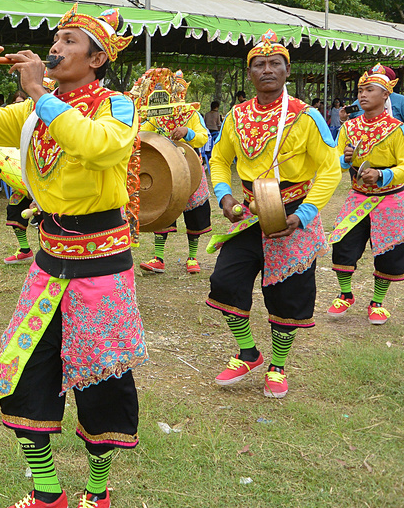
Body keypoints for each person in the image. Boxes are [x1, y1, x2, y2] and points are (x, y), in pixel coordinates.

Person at [0, 3, 147, 508]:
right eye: (57, 38)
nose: (55, 47)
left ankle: (97, 492)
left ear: (97, 58)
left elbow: (100, 149)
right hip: (49, 259)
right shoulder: (35, 110)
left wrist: (37, 91)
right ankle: (48, 491)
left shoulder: (116, 105)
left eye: (70, 41)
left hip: (102, 262)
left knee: (101, 378)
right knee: (23, 370)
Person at [207, 30, 340, 399]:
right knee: (225, 282)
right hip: (250, 212)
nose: (267, 69)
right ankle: (248, 351)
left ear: (286, 70)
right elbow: (219, 161)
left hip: (294, 212)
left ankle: (278, 366)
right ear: (249, 73)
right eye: (259, 65)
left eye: (274, 64)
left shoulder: (306, 117)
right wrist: (224, 198)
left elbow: (329, 169)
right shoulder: (236, 117)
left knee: (287, 295)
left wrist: (306, 214)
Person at [326, 65, 404, 325]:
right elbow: (335, 160)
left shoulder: (396, 129)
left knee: (388, 251)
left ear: (385, 95)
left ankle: (378, 302)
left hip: (390, 197)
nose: (362, 95)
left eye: (370, 90)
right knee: (343, 242)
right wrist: (345, 159)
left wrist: (383, 175)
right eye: (361, 90)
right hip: (359, 195)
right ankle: (345, 294)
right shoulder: (349, 127)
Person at [138, 69, 212, 274]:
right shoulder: (157, 115)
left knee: (195, 213)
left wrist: (187, 132)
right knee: (162, 209)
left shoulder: (191, 114)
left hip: (190, 169)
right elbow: (144, 132)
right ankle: (159, 258)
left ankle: (192, 257)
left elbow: (203, 137)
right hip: (166, 171)